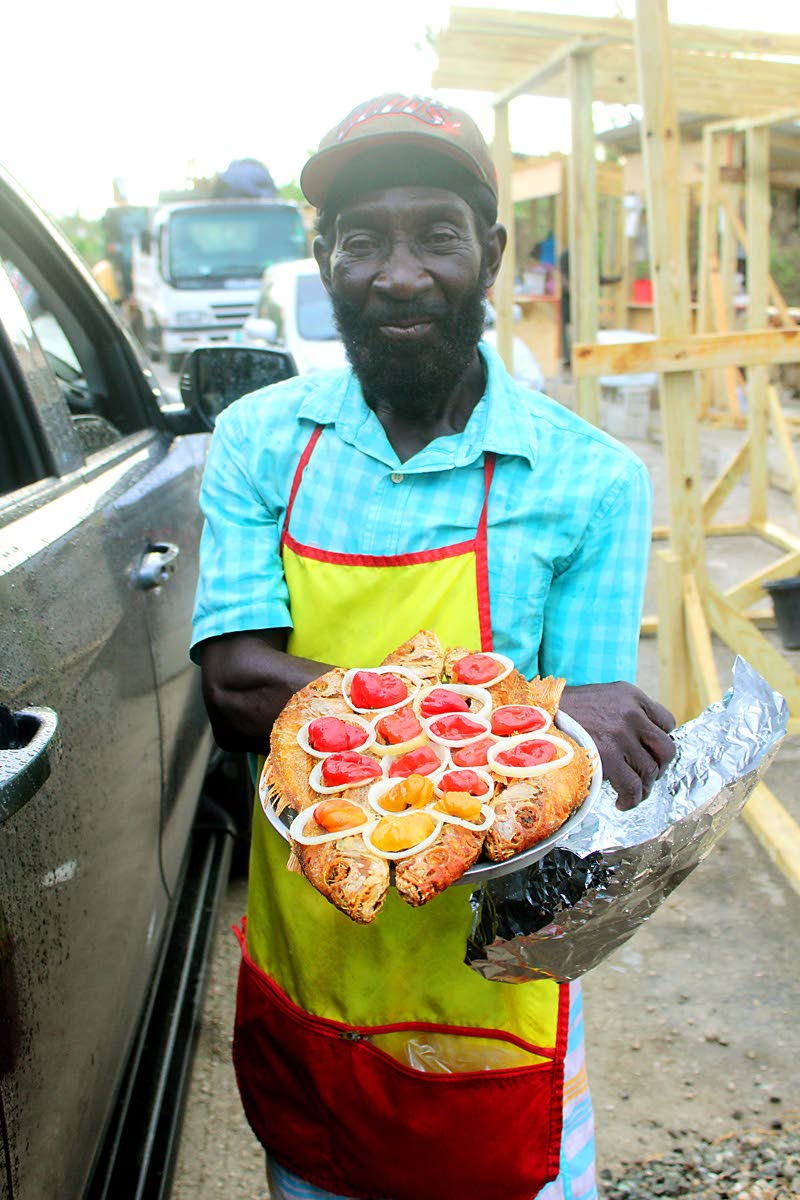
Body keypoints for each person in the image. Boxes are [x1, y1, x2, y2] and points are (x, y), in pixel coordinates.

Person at [191, 93, 676, 1200]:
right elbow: (237, 688)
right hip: (313, 953)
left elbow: (590, 771)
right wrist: (531, 710)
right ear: (325, 257)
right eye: (362, 240)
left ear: (491, 254)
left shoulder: (588, 481)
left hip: (490, 984)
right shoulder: (262, 440)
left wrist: (564, 730)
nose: (399, 276)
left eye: (437, 237)